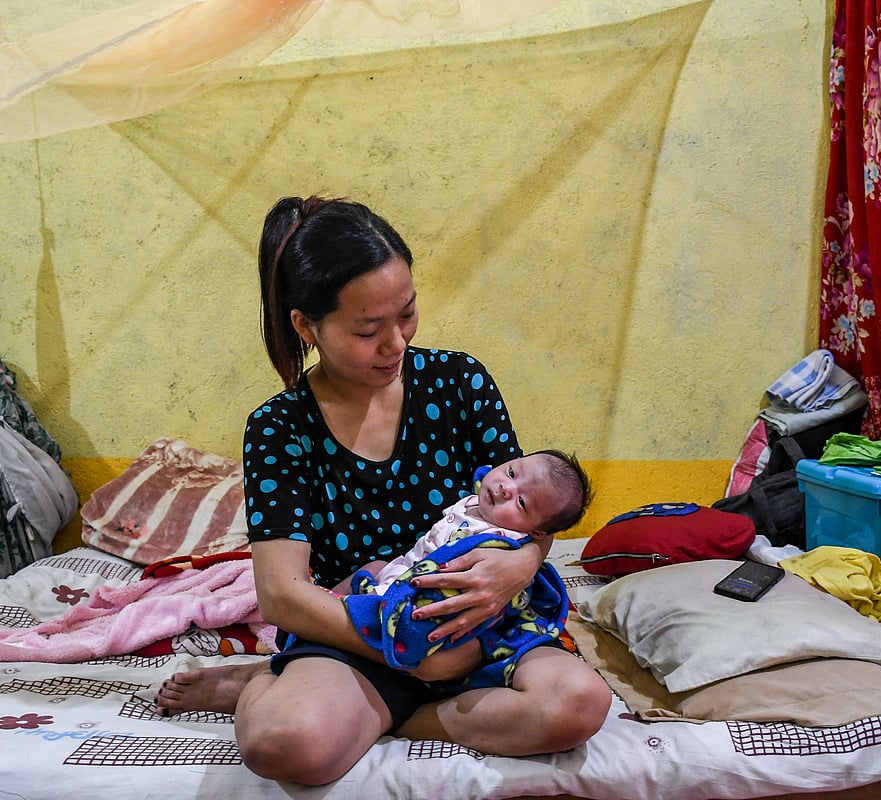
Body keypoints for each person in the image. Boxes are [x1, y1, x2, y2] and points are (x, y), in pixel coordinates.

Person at [155, 196, 611, 785]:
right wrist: (406, 650)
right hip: (361, 629)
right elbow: (282, 595)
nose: (395, 343)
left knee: (578, 705)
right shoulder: (280, 427)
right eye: (369, 329)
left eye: (408, 313)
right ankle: (270, 680)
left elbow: (531, 512)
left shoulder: (459, 384)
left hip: (484, 625)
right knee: (284, 745)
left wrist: (517, 570)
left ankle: (397, 716)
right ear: (306, 326)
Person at [336, 449, 592, 689]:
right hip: (405, 568)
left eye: (522, 502)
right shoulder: (479, 500)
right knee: (374, 567)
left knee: (369, 603)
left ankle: (356, 620)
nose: (505, 488)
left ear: (536, 532)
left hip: (421, 597)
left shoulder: (497, 544)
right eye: (512, 473)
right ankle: (321, 600)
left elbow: (465, 594)